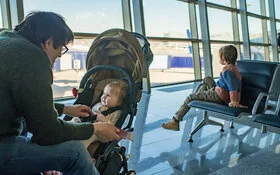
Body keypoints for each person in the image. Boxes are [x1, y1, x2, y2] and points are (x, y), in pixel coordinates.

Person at [0, 11, 121, 175]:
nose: (59, 55)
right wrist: (94, 129)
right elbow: (47, 132)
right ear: (49, 42)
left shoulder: (5, 40)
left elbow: (22, 101)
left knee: (23, 126)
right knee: (75, 153)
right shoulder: (33, 57)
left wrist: (65, 109)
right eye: (61, 48)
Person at [161, 45, 242, 131]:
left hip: (218, 95)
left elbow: (233, 87)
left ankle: (175, 121)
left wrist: (234, 101)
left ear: (224, 58)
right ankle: (200, 96)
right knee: (207, 79)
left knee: (190, 97)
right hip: (219, 90)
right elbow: (236, 85)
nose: (219, 59)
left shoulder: (228, 71)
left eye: (220, 57)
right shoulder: (234, 69)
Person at [72, 81, 128, 153]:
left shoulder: (116, 113)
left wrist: (104, 120)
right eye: (104, 93)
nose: (104, 97)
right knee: (74, 120)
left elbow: (113, 128)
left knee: (85, 139)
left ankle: (81, 154)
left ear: (119, 102)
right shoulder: (98, 104)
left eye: (108, 95)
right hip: (87, 122)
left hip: (98, 132)